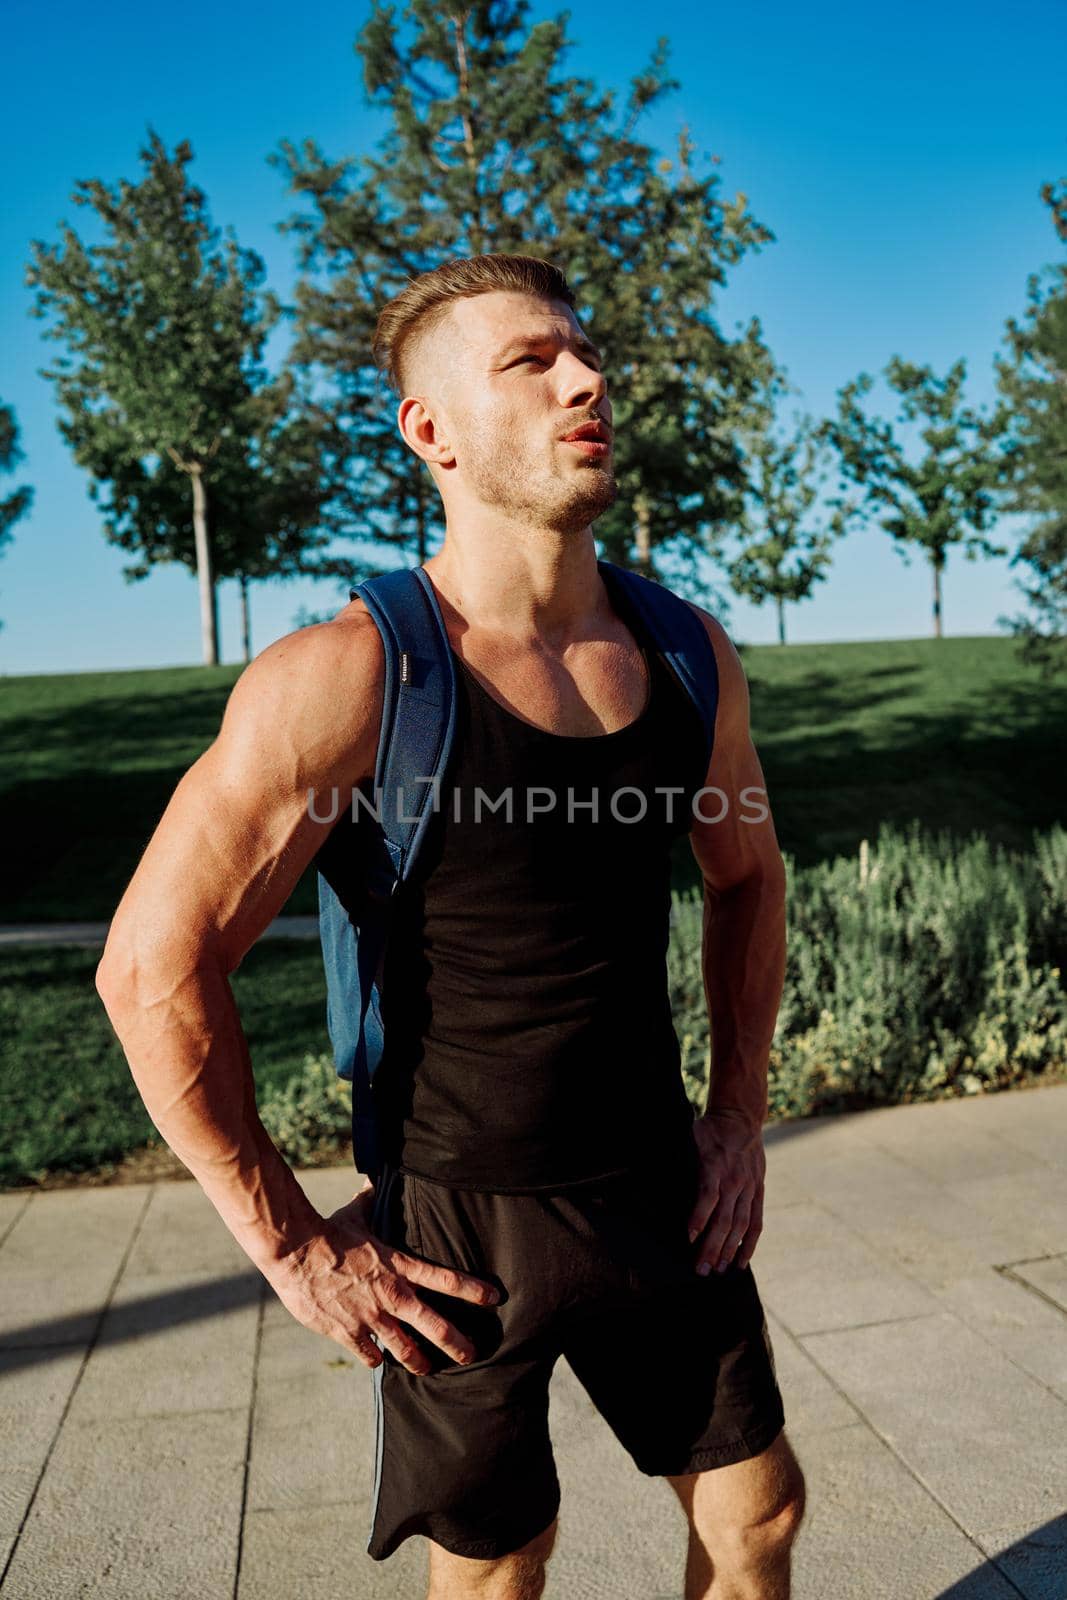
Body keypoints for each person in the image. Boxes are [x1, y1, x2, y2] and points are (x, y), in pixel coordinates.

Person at [97, 252, 807, 1600]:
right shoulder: (348, 679)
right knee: (497, 1570)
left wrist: (739, 1113)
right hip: (453, 1225)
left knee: (758, 1518)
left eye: (585, 354)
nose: (587, 378)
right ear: (431, 432)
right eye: (531, 363)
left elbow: (748, 876)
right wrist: (297, 1248)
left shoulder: (685, 656)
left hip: (661, 1187)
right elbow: (150, 965)